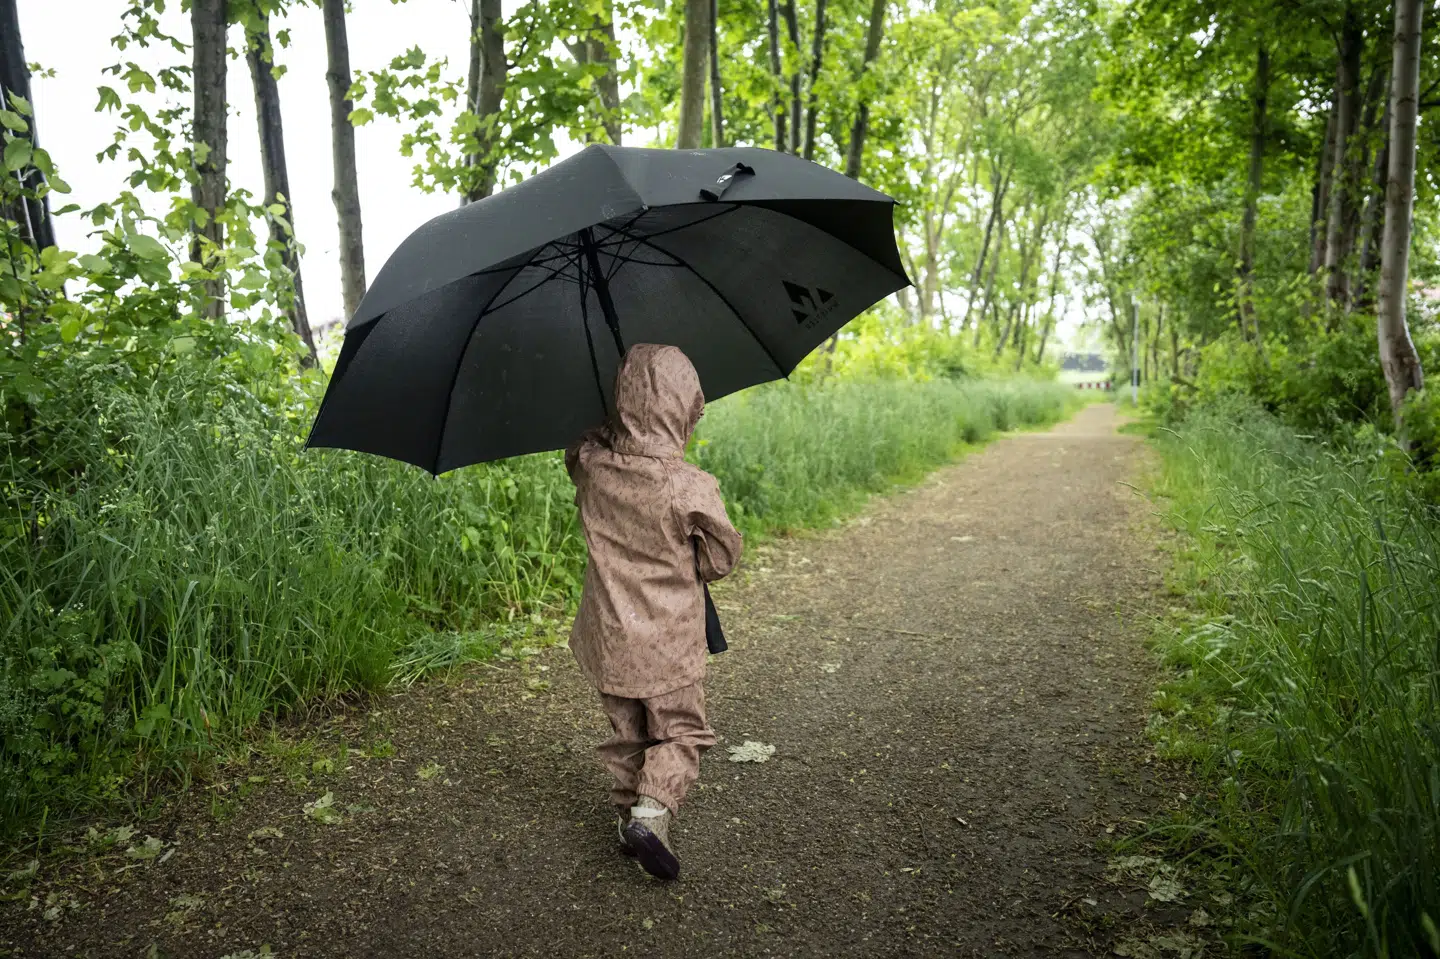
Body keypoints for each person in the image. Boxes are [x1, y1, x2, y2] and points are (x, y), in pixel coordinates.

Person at [564, 344, 743, 881]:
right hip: (668, 641)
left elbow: (580, 449)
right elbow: (719, 560)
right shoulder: (688, 485)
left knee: (627, 731)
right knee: (681, 732)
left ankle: (628, 819)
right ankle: (650, 812)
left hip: (610, 637)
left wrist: (607, 421)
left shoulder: (594, 469)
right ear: (685, 408)